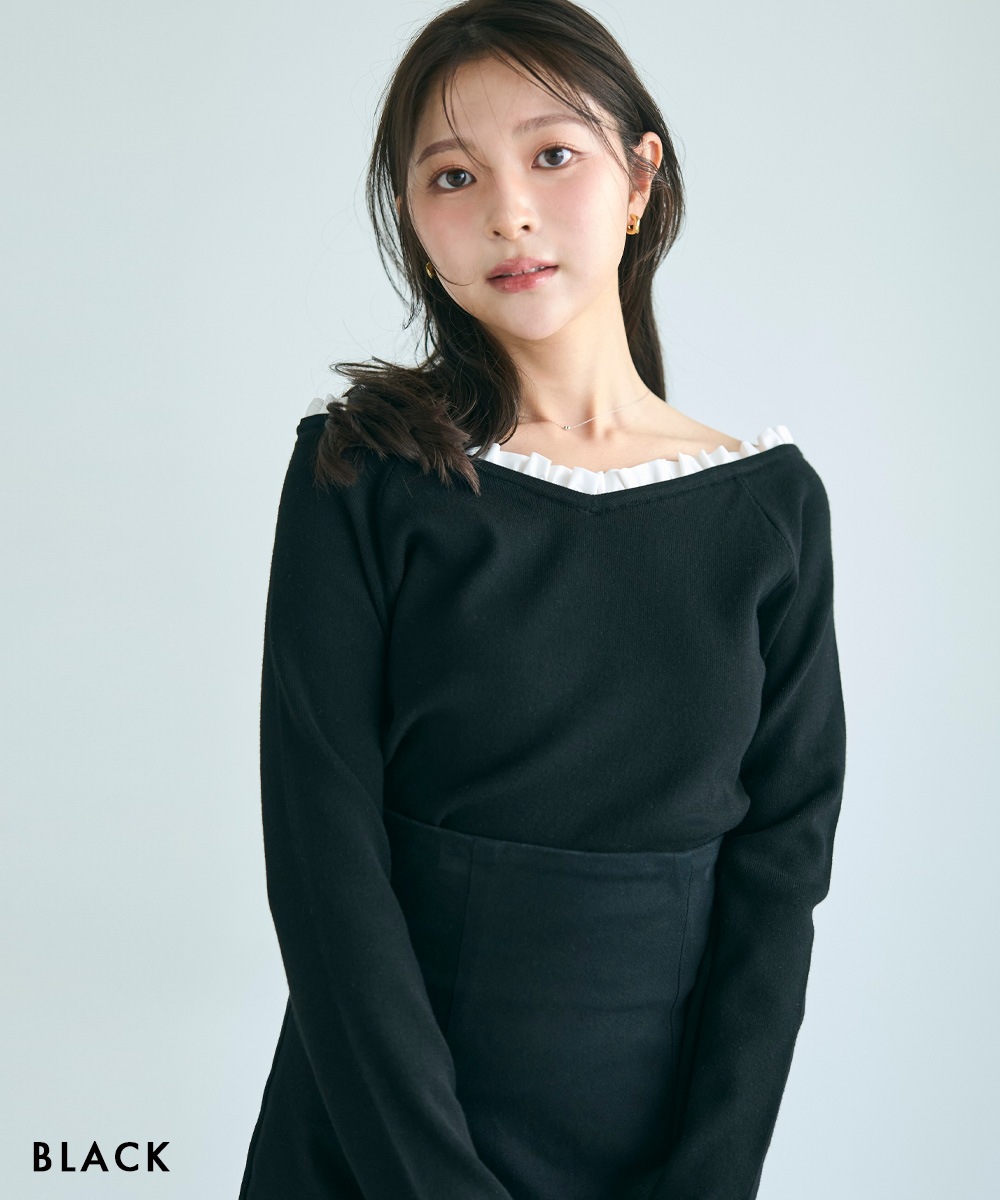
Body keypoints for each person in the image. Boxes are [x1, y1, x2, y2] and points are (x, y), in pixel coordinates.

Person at [238, 1, 847, 1198]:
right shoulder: (360, 474)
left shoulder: (770, 511)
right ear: (414, 225)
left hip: (650, 1154)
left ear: (639, 179)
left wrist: (707, 1180)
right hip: (374, 1147)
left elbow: (778, 883)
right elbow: (323, 867)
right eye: (452, 176)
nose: (507, 211)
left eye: (552, 155)